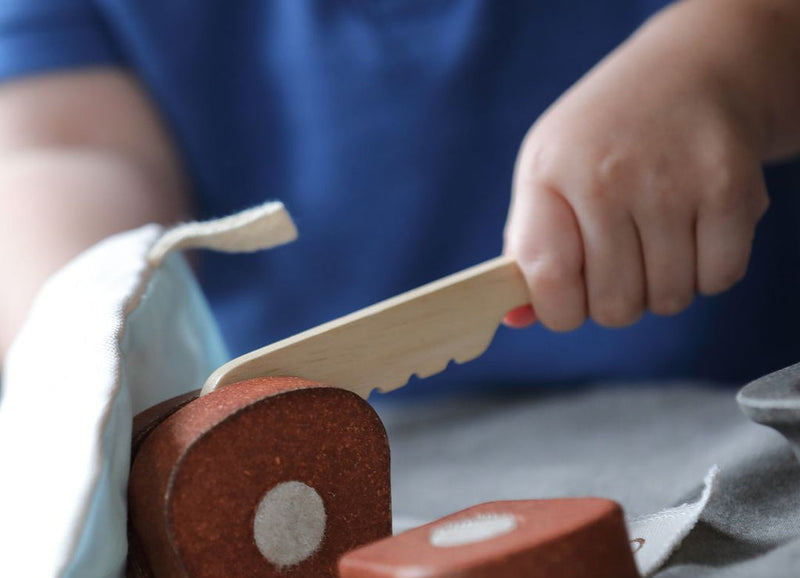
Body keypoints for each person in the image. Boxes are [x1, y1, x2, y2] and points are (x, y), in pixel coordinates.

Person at [0, 0, 798, 394]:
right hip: (315, 466)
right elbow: (66, 145)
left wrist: (718, 65)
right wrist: (78, 336)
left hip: (734, 407)